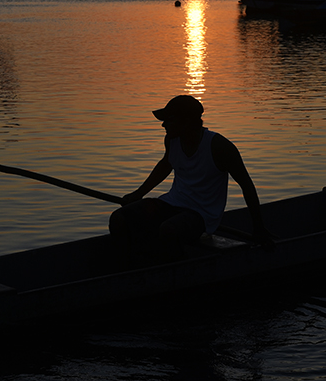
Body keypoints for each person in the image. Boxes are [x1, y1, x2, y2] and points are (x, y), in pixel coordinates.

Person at [109, 95, 272, 262]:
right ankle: (129, 265)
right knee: (119, 219)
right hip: (172, 203)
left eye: (169, 120)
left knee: (169, 230)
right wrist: (138, 194)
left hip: (201, 214)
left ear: (185, 122)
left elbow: (247, 186)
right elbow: (166, 164)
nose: (163, 124)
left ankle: (177, 271)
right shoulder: (172, 140)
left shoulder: (219, 147)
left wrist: (258, 227)